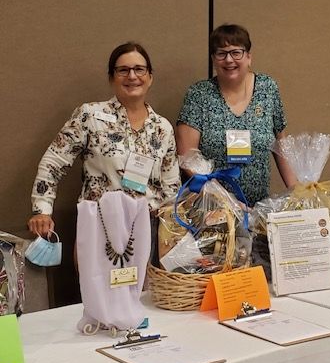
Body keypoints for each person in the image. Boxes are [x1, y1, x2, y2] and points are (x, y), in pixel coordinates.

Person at [28, 42, 181, 238]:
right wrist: (42, 210)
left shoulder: (163, 128)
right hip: (99, 227)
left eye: (139, 70)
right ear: (111, 78)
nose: (132, 76)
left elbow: (171, 187)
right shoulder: (90, 116)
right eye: (123, 70)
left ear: (150, 77)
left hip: (149, 230)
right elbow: (53, 163)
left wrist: (174, 233)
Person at [176, 24, 296, 206]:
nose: (229, 60)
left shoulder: (267, 88)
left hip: (259, 209)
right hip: (212, 208)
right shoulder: (199, 95)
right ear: (213, 60)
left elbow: (281, 145)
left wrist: (297, 191)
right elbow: (187, 159)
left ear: (249, 57)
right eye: (221, 53)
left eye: (236, 52)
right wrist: (226, 202)